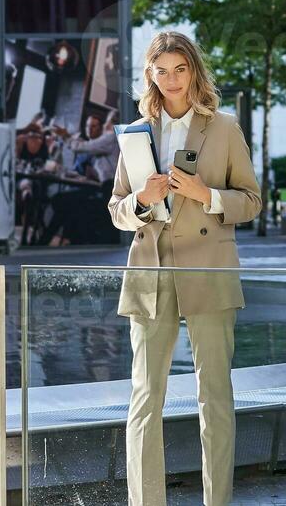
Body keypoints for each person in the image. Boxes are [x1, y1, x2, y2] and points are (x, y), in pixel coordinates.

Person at [105, 31, 262, 506]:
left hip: (208, 269)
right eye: (162, 70)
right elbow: (116, 209)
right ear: (149, 74)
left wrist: (204, 195)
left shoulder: (224, 128)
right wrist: (143, 201)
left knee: (214, 397)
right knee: (144, 400)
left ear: (193, 70)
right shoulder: (135, 132)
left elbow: (252, 202)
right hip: (150, 274)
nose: (171, 80)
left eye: (180, 69)